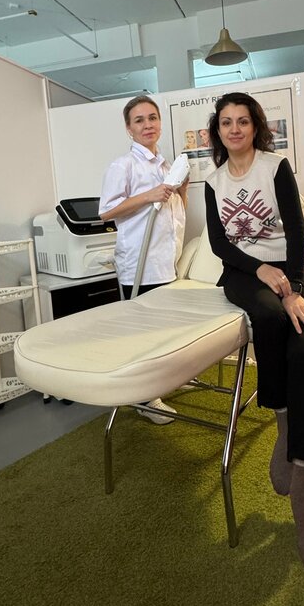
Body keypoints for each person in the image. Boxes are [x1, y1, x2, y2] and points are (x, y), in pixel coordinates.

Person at [204, 93, 304, 571]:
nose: (235, 129)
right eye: (226, 123)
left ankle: (303, 495)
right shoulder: (213, 181)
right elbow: (219, 244)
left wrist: (293, 287)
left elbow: (296, 230)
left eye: (243, 121)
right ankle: (282, 421)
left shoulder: (275, 167)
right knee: (271, 318)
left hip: (291, 267)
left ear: (255, 126)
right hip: (243, 272)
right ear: (218, 131)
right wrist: (259, 270)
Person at [99, 95, 188, 425]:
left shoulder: (165, 166)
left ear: (160, 123)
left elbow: (175, 214)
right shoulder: (123, 166)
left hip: (167, 262)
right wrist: (148, 195)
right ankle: (145, 399)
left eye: (152, 118)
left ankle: (162, 383)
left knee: (164, 331)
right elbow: (106, 211)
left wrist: (183, 190)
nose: (148, 124)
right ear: (129, 128)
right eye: (139, 120)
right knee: (143, 335)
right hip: (140, 265)